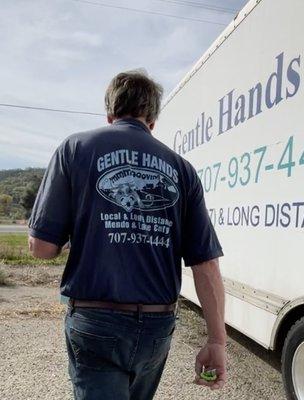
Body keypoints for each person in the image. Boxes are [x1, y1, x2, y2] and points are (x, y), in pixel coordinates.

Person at [28, 69, 227, 399]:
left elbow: (42, 248)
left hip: (95, 321)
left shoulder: (75, 149)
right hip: (157, 326)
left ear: (109, 114)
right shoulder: (183, 170)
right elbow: (206, 265)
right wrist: (217, 340)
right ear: (152, 120)